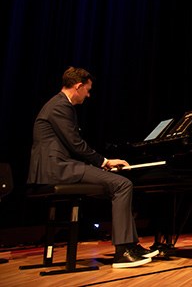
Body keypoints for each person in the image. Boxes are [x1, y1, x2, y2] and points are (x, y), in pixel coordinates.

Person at [27, 67, 158, 268]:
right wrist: (103, 162)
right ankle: (122, 253)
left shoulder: (57, 104)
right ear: (78, 86)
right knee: (122, 185)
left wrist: (98, 166)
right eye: (87, 90)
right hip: (57, 169)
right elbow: (75, 144)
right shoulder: (60, 106)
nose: (88, 95)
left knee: (118, 187)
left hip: (61, 166)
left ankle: (131, 245)